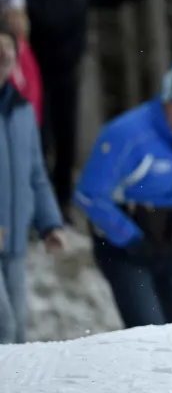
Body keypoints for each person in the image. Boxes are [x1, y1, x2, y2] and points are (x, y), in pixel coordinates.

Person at [74, 51, 172, 329]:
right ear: (164, 100)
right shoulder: (127, 133)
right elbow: (88, 194)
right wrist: (131, 238)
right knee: (148, 333)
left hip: (167, 246)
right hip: (123, 247)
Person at [20, 0, 145, 218]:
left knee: (67, 143)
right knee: (40, 142)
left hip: (68, 78)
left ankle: (62, 203)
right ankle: (38, 204)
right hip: (39, 81)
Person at [0, 19, 66, 345]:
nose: (3, 56)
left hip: (14, 244)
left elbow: (36, 174)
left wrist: (50, 223)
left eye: (8, 50)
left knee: (19, 337)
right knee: (4, 328)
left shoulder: (23, 111)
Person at [0, 0, 43, 126]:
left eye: (22, 14)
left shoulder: (25, 48)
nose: (20, 20)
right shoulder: (7, 49)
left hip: (28, 118)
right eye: (14, 15)